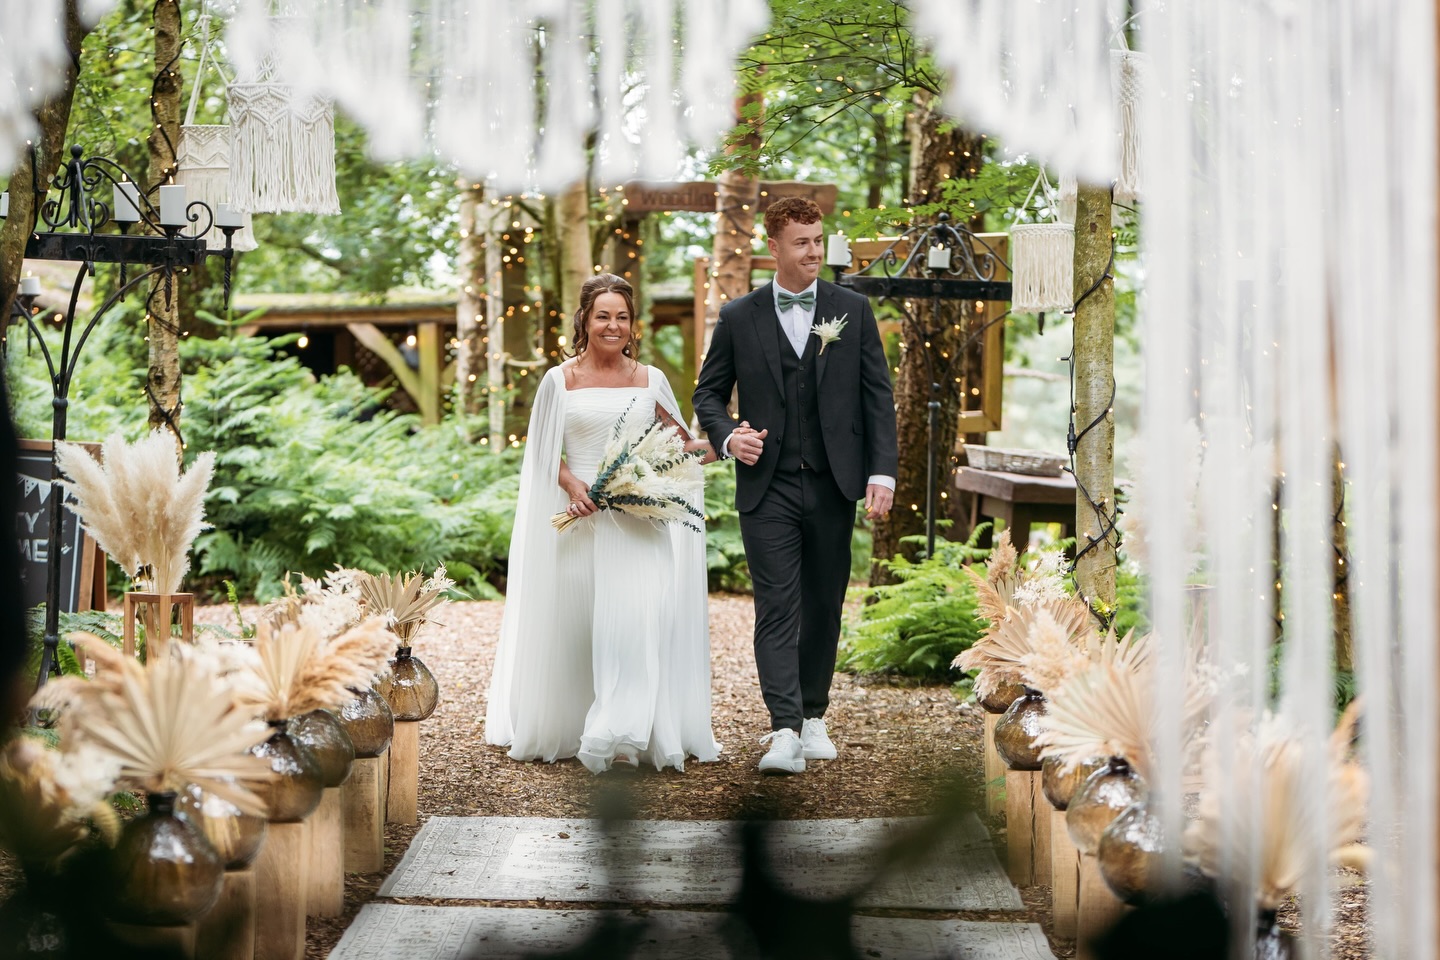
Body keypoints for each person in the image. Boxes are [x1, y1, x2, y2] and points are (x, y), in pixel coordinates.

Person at [693, 196, 898, 775]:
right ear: (774, 248)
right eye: (802, 242)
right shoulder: (739, 317)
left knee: (825, 606)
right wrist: (730, 436)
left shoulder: (852, 310)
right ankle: (783, 728)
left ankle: (813, 715)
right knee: (777, 606)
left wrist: (881, 471)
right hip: (768, 487)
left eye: (818, 239)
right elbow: (708, 393)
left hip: (835, 482)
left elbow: (877, 396)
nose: (813, 251)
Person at [485, 273, 721, 774]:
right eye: (603, 316)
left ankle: (622, 730)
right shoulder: (560, 380)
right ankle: (575, 722)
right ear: (585, 321)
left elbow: (678, 447)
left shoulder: (650, 379)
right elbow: (542, 451)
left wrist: (724, 443)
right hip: (583, 520)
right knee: (581, 626)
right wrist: (574, 487)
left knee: (636, 624)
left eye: (622, 317)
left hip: (638, 521)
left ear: (633, 325)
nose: (613, 326)